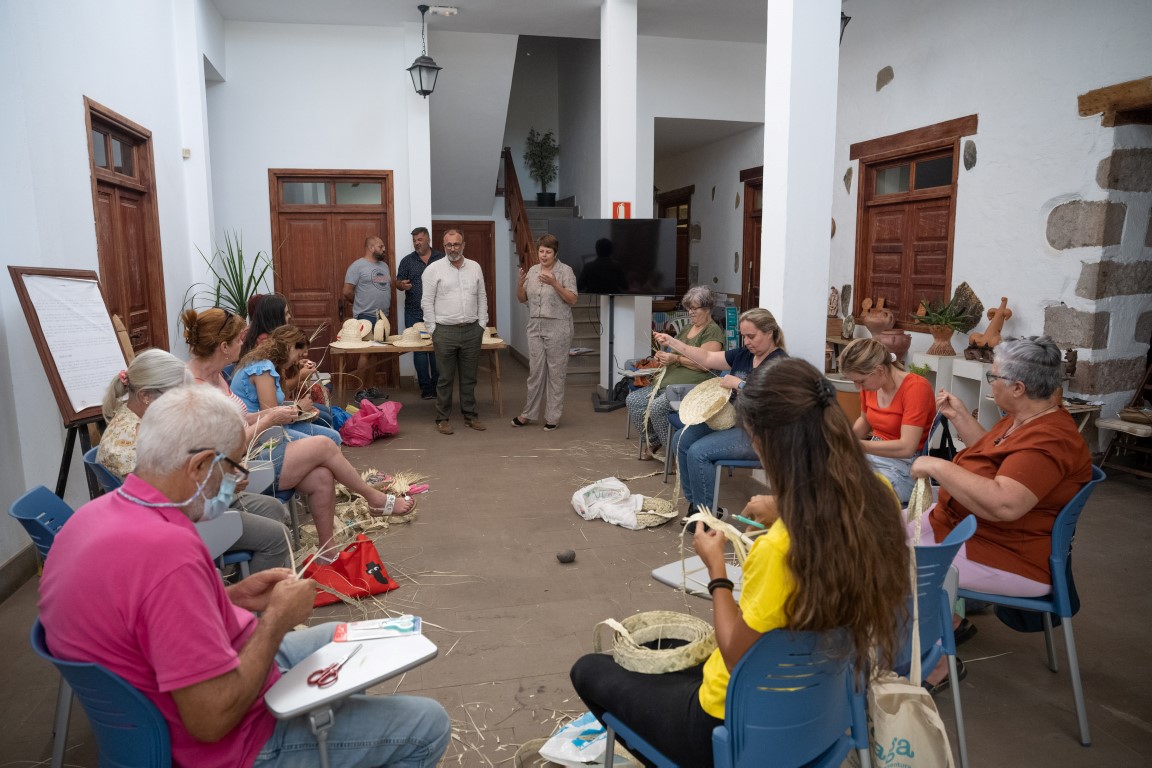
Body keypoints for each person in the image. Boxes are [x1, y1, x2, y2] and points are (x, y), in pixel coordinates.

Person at [41, 385, 451, 768]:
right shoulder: (168, 554)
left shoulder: (91, 519)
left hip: (200, 680)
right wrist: (275, 621)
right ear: (199, 465)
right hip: (232, 741)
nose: (238, 480)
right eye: (234, 466)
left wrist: (230, 599)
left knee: (341, 641)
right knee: (428, 724)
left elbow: (144, 620)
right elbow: (211, 720)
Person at [570, 359, 910, 765]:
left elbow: (734, 653)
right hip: (823, 714)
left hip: (728, 726)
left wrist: (716, 570)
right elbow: (831, 512)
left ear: (767, 442)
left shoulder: (780, 550)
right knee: (674, 654)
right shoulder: (880, 495)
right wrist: (786, 506)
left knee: (591, 669)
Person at [910, 335, 1092, 691]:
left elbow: (1005, 503)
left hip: (1010, 554)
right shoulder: (1022, 418)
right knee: (876, 534)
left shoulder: (1050, 440)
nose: (991, 381)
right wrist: (961, 416)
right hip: (973, 530)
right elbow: (992, 457)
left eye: (994, 377)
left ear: (1019, 387)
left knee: (893, 566)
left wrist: (937, 466)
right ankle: (950, 623)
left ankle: (936, 667)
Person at [183, 308, 413, 554]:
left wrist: (270, 415)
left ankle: (327, 553)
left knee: (322, 477)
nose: (243, 344)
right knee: (326, 444)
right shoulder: (197, 389)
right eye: (239, 339)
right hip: (237, 468)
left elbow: (241, 419)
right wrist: (270, 417)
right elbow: (227, 448)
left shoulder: (216, 376)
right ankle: (374, 499)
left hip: (255, 446)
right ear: (223, 347)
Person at [97, 349, 291, 574]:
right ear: (145, 396)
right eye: (177, 395)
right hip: (180, 525)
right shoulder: (129, 441)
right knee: (277, 537)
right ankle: (241, 603)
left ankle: (240, 584)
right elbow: (172, 503)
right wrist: (223, 482)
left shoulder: (140, 418)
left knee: (274, 508)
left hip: (191, 507)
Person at [653, 308, 787, 518]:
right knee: (682, 439)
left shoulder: (779, 363)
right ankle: (696, 506)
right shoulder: (745, 354)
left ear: (769, 332)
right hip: (730, 420)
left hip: (759, 432)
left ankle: (706, 516)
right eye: (744, 336)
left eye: (752, 336)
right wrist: (673, 343)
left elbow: (774, 401)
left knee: (699, 452)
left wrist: (740, 384)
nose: (747, 342)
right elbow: (706, 357)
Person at [626, 286, 725, 459]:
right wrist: (664, 356)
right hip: (668, 385)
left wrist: (676, 360)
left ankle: (675, 456)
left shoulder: (712, 331)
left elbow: (706, 365)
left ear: (707, 308)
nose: (690, 312)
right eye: (689, 308)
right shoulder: (687, 328)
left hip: (691, 389)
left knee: (657, 408)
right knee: (633, 401)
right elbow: (675, 353)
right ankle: (655, 441)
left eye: (695, 308)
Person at [839, 338, 936, 503]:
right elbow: (864, 420)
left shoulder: (916, 388)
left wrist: (858, 446)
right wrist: (843, 439)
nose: (857, 387)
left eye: (860, 381)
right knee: (822, 480)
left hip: (905, 467)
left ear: (879, 370)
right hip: (874, 455)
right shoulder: (871, 386)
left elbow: (906, 447)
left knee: (855, 498)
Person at [421, 229, 489, 434]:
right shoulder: (433, 270)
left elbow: (482, 297)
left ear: (463, 245)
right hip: (445, 332)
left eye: (457, 244)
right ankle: (442, 419)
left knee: (469, 377)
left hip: (471, 331)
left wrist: (481, 324)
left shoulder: (475, 267)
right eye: (449, 245)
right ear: (444, 246)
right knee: (445, 378)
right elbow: (427, 302)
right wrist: (433, 329)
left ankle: (470, 416)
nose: (453, 248)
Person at [232, 326, 342, 444]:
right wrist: (299, 409)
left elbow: (278, 401)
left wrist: (302, 410)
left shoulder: (269, 364)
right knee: (330, 440)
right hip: (262, 435)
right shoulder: (263, 369)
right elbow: (273, 419)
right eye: (299, 356)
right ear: (290, 347)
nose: (297, 361)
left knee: (333, 436)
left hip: (271, 428)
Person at [512, 233, 578, 431]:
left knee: (556, 374)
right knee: (535, 373)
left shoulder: (565, 271)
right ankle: (528, 413)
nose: (544, 255)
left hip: (558, 326)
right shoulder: (532, 271)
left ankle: (553, 416)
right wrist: (519, 283)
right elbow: (522, 298)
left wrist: (554, 284)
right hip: (535, 326)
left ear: (555, 253)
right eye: (541, 251)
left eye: (548, 252)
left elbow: (573, 299)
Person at [396, 226, 445, 400]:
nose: (417, 243)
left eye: (420, 240)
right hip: (413, 312)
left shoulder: (441, 258)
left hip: (438, 312)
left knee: (436, 349)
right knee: (419, 350)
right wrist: (401, 285)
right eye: (414, 240)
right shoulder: (407, 261)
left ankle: (437, 386)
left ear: (428, 239)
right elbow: (398, 281)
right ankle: (426, 388)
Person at [343, 235, 393, 395]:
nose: (384, 249)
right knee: (365, 353)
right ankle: (359, 391)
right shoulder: (357, 266)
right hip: (365, 315)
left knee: (374, 353)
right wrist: (361, 305)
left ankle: (370, 389)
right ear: (371, 248)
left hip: (382, 317)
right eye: (381, 246)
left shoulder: (384, 266)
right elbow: (347, 292)